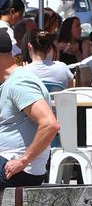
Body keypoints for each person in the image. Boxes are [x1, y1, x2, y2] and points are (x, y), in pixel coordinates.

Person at [0, 28, 59, 189]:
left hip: (17, 169)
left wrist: (23, 160)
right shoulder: (9, 82)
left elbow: (50, 125)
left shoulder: (19, 83)